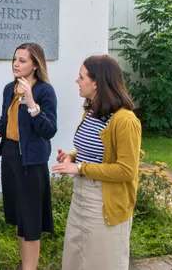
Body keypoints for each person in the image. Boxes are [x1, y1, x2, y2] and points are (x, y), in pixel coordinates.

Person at [52, 55, 141, 270]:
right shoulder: (91, 111)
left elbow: (126, 170)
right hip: (81, 196)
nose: (77, 81)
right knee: (75, 261)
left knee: (103, 263)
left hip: (105, 202)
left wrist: (80, 167)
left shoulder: (125, 120)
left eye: (81, 77)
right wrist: (73, 157)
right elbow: (96, 152)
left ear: (96, 82)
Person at [0, 43, 57, 270]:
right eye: (15, 59)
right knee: (19, 217)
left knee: (31, 220)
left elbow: (49, 130)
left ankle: (30, 267)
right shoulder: (9, 89)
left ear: (35, 65)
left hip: (31, 162)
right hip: (12, 157)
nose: (16, 63)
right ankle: (25, 265)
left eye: (22, 60)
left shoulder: (44, 91)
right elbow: (6, 120)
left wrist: (31, 103)